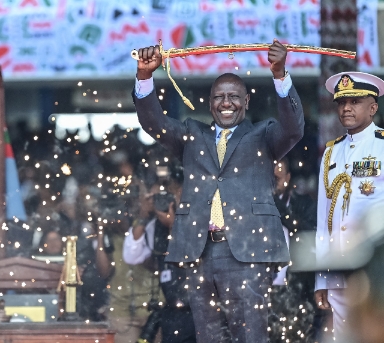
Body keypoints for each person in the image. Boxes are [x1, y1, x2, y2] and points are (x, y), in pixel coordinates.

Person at [133, 39, 304, 342]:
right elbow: (154, 124)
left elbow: (293, 128)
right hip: (200, 251)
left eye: (234, 97)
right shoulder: (190, 134)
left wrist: (280, 74)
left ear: (247, 101)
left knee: (250, 335)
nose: (226, 102)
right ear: (209, 102)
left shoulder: (263, 134)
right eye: (219, 97)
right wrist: (145, 77)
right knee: (208, 336)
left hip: (249, 252)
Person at [314, 71, 384, 340]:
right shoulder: (331, 153)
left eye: (355, 102)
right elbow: (323, 220)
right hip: (340, 268)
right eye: (342, 103)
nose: (346, 108)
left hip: (376, 267)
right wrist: (321, 278)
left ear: (373, 107)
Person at [123, 179, 196, 343]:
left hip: (199, 309)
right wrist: (142, 215)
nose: (164, 201)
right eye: (157, 198)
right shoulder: (153, 227)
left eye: (167, 196)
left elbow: (192, 257)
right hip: (172, 311)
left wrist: (174, 226)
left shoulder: (197, 221)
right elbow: (131, 256)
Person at [269, 157, 320, 342]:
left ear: (288, 177)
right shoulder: (252, 207)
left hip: (296, 290)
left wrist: (279, 208)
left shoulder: (303, 203)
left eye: (278, 177)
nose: (274, 182)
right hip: (262, 291)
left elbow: (310, 235)